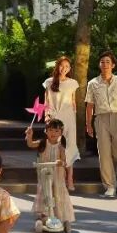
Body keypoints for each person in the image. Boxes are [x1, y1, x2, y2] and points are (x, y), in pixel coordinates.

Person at [85, 50, 117, 198]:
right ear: (99, 65)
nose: (105, 64)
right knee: (104, 153)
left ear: (113, 65)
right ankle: (110, 186)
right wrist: (88, 124)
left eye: (108, 62)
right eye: (102, 62)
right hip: (101, 118)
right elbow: (89, 106)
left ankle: (112, 174)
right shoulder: (93, 83)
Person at [25, 118, 76, 233]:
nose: (53, 133)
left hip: (57, 176)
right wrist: (29, 135)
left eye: (57, 131)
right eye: (51, 130)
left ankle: (59, 216)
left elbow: (65, 161)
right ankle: (44, 215)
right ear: (46, 131)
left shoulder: (61, 147)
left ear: (61, 133)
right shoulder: (42, 143)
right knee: (45, 193)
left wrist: (61, 162)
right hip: (44, 174)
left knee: (57, 193)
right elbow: (30, 144)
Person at [42, 56, 79, 190]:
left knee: (70, 146)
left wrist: (73, 114)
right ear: (57, 66)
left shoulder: (73, 83)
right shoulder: (49, 82)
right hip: (54, 117)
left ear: (70, 68)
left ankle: (70, 179)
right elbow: (46, 101)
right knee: (54, 147)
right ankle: (58, 178)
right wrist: (47, 115)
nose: (64, 68)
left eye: (67, 66)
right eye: (62, 65)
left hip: (68, 117)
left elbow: (73, 101)